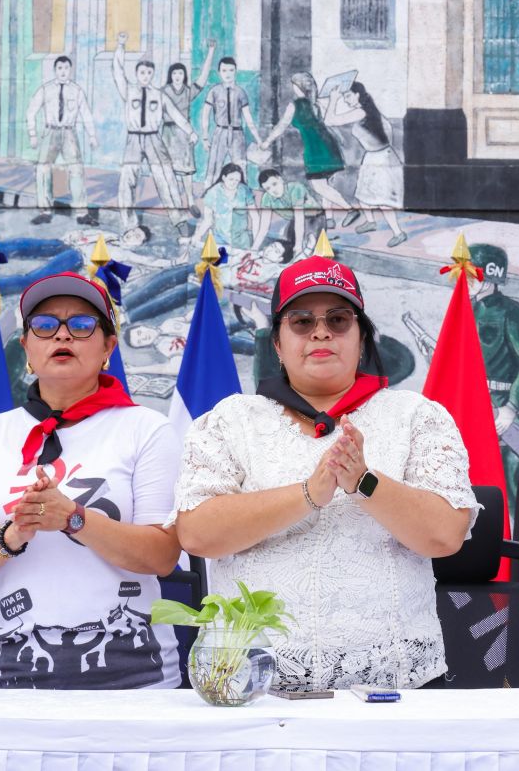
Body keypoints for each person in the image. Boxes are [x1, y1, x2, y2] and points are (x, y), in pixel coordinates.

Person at [171, 256, 478, 690]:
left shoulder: (417, 416)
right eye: (301, 321)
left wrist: (364, 483)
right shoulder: (230, 419)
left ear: (361, 338)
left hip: (393, 687)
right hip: (250, 685)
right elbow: (197, 534)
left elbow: (445, 535)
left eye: (338, 320)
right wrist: (309, 494)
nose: (320, 333)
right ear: (277, 344)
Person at [0, 272, 183, 688]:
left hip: (137, 678)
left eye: (82, 325)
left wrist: (73, 518)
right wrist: (13, 533)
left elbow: (162, 556)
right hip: (11, 676)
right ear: (26, 347)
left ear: (108, 347)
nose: (62, 335)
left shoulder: (147, 430)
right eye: (45, 325)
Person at [469, 243, 519, 507]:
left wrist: (511, 407)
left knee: (510, 477)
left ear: (490, 276)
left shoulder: (513, 311)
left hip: (504, 406)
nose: (464, 279)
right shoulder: (466, 309)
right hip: (474, 404)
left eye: (471, 273)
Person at [114, 33, 195, 232]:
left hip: (154, 139)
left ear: (152, 75)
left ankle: (178, 219)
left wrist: (190, 131)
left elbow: (175, 114)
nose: (145, 76)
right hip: (134, 139)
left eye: (149, 73)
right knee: (128, 179)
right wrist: (121, 47)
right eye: (142, 72)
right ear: (136, 73)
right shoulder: (128, 90)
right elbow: (117, 70)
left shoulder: (159, 95)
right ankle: (129, 224)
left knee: (166, 177)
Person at [259, 72, 352, 227]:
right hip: (329, 146)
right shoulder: (317, 103)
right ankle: (329, 219)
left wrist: (267, 141)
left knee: (319, 186)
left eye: (293, 85)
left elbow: (281, 126)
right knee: (325, 184)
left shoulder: (294, 105)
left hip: (315, 150)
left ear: (297, 86)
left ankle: (349, 209)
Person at [322, 80, 406, 245]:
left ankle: (398, 232)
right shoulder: (368, 111)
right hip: (373, 157)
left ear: (357, 94)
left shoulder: (360, 112)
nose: (345, 99)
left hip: (381, 160)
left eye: (348, 96)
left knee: (383, 200)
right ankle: (370, 222)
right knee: (362, 194)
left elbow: (329, 121)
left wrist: (333, 99)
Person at [26, 56, 99, 226]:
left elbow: (86, 114)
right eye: (60, 68)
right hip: (50, 131)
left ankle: (82, 213)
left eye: (66, 68)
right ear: (55, 70)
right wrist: (32, 134)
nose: (63, 71)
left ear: (70, 70)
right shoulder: (46, 89)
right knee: (43, 169)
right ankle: (45, 211)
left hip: (69, 133)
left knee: (76, 169)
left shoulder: (77, 91)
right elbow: (31, 111)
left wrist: (92, 136)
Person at [160, 40, 218, 212]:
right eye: (174, 73)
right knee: (169, 168)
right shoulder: (163, 91)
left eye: (180, 73)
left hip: (184, 134)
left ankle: (190, 201)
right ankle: (175, 201)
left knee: (187, 170)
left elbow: (203, 78)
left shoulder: (187, 91)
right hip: (168, 133)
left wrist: (211, 52)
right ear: (170, 75)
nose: (177, 76)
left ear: (184, 75)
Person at [199, 56, 261, 192]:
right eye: (224, 70)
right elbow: (205, 115)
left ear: (235, 71)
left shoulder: (240, 92)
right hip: (220, 132)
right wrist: (205, 137)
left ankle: (243, 193)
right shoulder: (214, 91)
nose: (227, 74)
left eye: (231, 70)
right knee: (214, 164)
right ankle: (209, 192)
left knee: (240, 165)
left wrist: (258, 139)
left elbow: (248, 118)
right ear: (219, 72)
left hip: (237, 134)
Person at [192, 163, 257, 252]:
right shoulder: (213, 193)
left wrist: (256, 244)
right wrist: (198, 236)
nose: (234, 183)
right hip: (220, 239)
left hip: (241, 239)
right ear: (223, 177)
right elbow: (208, 220)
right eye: (231, 179)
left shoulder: (245, 190)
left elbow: (255, 217)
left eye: (237, 180)